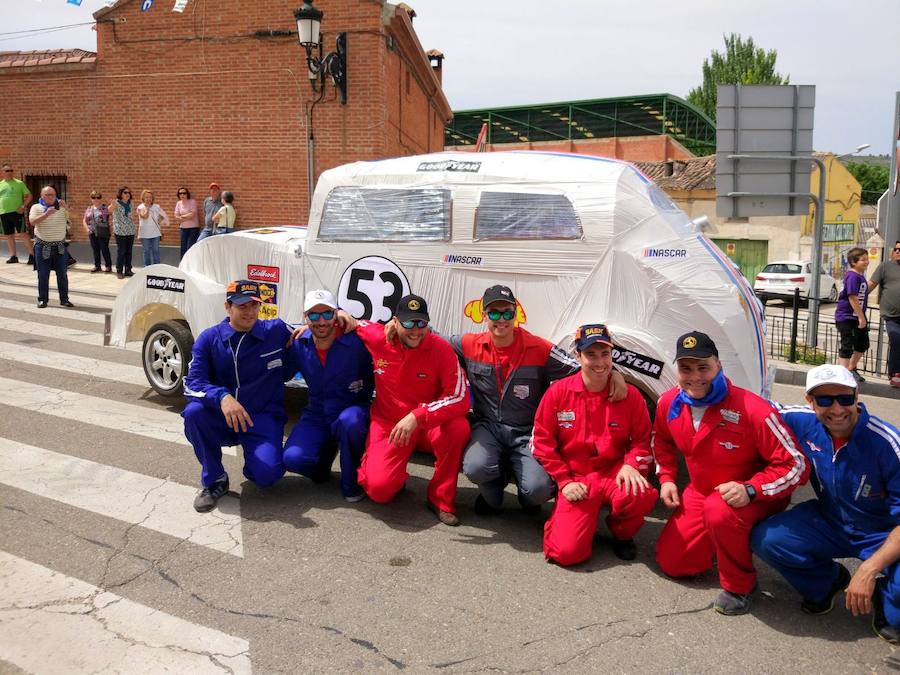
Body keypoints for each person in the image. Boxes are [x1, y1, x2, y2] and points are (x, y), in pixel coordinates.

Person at [653, 331, 809, 615]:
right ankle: (724, 540)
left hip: (752, 496)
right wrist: (666, 478)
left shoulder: (754, 409)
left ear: (719, 366)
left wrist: (751, 489)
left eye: (703, 367)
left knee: (720, 511)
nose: (695, 377)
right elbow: (661, 441)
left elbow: (796, 465)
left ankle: (740, 586)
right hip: (701, 493)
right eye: (686, 368)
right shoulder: (669, 403)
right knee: (674, 564)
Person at [751, 365, 899, 644]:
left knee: (897, 616)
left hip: (884, 531)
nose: (837, 409)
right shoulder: (802, 421)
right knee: (768, 539)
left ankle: (885, 595)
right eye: (824, 399)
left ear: (856, 396)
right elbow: (754, 408)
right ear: (810, 401)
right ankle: (827, 582)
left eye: (844, 398)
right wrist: (695, 385)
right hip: (831, 519)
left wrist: (868, 570)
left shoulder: (888, 443)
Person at [449, 284, 624, 516]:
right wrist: (401, 324)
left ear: (516, 314)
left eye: (507, 313)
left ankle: (528, 499)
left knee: (538, 489)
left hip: (527, 432)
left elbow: (579, 366)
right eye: (494, 313)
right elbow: (433, 341)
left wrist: (614, 374)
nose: (501, 319)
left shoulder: (539, 348)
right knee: (475, 467)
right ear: (484, 315)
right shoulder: (468, 344)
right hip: (487, 427)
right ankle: (492, 497)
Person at [531, 324, 657, 566]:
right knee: (566, 554)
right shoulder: (558, 393)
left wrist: (632, 464)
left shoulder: (630, 395)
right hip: (577, 477)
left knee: (640, 493)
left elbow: (644, 440)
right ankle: (563, 522)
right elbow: (541, 442)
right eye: (591, 354)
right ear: (577, 355)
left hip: (614, 473)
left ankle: (622, 533)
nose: (600, 362)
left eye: (605, 354)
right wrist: (564, 481)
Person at [353, 294, 471, 526]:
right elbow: (351, 322)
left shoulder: (441, 348)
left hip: (427, 425)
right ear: (395, 322)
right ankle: (395, 479)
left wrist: (419, 415)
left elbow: (460, 397)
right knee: (379, 490)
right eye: (408, 323)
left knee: (458, 428)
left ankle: (441, 499)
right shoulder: (378, 337)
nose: (415, 330)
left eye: (421, 323)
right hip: (389, 425)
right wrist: (315, 326)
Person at [183, 280, 292, 512]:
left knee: (267, 475)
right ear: (227, 307)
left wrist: (343, 317)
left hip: (262, 417)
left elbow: (317, 327)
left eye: (254, 305)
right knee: (194, 413)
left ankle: (256, 460)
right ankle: (215, 480)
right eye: (242, 306)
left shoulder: (276, 330)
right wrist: (222, 397)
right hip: (223, 417)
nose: (250, 311)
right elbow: (192, 384)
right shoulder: (208, 338)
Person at [282, 289, 374, 502]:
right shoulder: (299, 342)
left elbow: (385, 339)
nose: (321, 321)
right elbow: (280, 373)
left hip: (352, 410)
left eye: (327, 313)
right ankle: (323, 464)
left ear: (336, 314)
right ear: (305, 317)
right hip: (318, 413)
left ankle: (352, 481)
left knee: (350, 422)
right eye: (314, 315)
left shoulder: (358, 341)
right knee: (292, 459)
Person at [28, 186, 73, 309]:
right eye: (47, 195)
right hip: (42, 246)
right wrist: (46, 214)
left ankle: (64, 299)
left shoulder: (61, 207)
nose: (51, 197)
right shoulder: (36, 207)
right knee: (43, 274)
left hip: (60, 246)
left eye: (53, 194)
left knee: (62, 274)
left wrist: (66, 207)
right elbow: (32, 222)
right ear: (42, 196)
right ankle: (43, 299)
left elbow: (74, 217)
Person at [834, 247, 871, 383]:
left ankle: (850, 368)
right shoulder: (852, 276)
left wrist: (861, 317)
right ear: (854, 262)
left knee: (863, 344)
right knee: (847, 345)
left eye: (867, 259)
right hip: (847, 317)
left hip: (857, 316)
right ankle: (842, 376)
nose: (866, 262)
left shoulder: (860, 276)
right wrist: (861, 317)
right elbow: (852, 297)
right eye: (863, 260)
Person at [870, 240, 900, 388]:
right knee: (896, 339)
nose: (898, 251)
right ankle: (895, 373)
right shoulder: (885, 267)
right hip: (891, 315)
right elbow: (871, 285)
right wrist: (854, 299)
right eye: (896, 249)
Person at [0, 163, 34, 265]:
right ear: (2, 172)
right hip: (3, 213)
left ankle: (32, 256)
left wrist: (23, 206)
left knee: (23, 234)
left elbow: (29, 196)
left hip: (17, 213)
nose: (10, 172)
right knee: (9, 235)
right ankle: (13, 256)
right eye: (7, 171)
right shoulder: (1, 184)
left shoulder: (19, 183)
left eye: (11, 170)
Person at [82, 190, 112, 273]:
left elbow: (112, 210)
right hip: (92, 232)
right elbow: (84, 220)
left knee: (104, 249)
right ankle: (97, 266)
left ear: (101, 198)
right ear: (91, 199)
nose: (96, 199)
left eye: (98, 197)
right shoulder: (89, 208)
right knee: (95, 250)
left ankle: (108, 266)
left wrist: (113, 203)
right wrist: (87, 229)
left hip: (103, 232)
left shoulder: (104, 208)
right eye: (93, 197)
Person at [136, 190, 168, 267]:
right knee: (146, 251)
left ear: (152, 198)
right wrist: (147, 208)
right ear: (143, 198)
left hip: (155, 232)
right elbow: (145, 217)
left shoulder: (157, 207)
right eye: (146, 197)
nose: (148, 199)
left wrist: (160, 219)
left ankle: (157, 268)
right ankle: (147, 268)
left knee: (156, 250)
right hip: (144, 233)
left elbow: (163, 216)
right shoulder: (140, 207)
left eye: (150, 197)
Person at [109, 186, 135, 278]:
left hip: (130, 230)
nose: (127, 194)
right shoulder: (116, 202)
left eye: (129, 192)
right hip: (120, 231)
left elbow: (132, 215)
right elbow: (109, 210)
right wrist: (112, 205)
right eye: (125, 192)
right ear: (121, 194)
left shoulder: (131, 203)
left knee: (129, 251)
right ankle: (119, 271)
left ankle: (128, 270)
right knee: (121, 251)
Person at [174, 187, 200, 258]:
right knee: (183, 247)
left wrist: (181, 217)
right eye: (180, 193)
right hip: (183, 229)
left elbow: (192, 215)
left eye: (184, 193)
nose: (182, 195)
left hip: (193, 228)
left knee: (190, 247)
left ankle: (191, 263)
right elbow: (176, 215)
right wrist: (186, 216)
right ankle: (183, 263)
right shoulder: (178, 203)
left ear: (187, 194)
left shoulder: (192, 202)